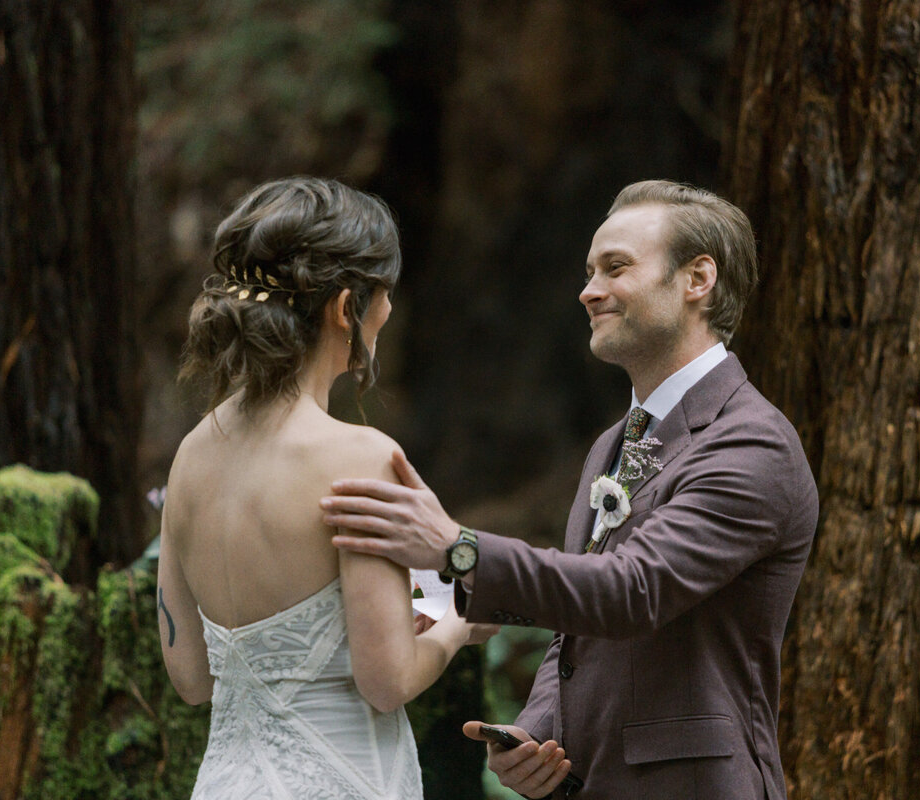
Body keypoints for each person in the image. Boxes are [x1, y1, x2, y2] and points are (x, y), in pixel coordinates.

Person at [320, 180, 819, 799]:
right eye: (589, 271)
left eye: (616, 268)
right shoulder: (612, 444)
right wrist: (536, 734)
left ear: (698, 279)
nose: (588, 291)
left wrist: (459, 549)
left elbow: (633, 591)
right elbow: (575, 629)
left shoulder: (751, 444)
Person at [156, 176, 493, 800]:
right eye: (384, 295)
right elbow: (387, 680)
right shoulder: (358, 458)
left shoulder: (191, 455)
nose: (387, 312)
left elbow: (191, 679)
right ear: (346, 308)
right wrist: (460, 621)